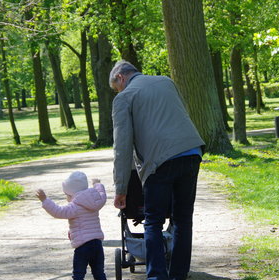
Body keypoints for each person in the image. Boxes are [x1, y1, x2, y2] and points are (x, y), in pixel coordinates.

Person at [110, 60, 205, 280]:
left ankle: (157, 277)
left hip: (159, 161)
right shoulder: (166, 82)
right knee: (182, 218)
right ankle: (179, 274)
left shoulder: (124, 97)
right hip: (191, 152)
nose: (118, 91)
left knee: (153, 220)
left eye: (117, 87)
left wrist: (121, 189)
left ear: (121, 78)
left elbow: (122, 147)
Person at [35, 171, 107, 280]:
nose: (66, 198)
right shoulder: (95, 201)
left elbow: (58, 211)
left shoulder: (75, 207)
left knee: (78, 274)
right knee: (99, 274)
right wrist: (97, 184)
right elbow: (101, 194)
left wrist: (45, 200)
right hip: (97, 244)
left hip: (83, 246)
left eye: (66, 195)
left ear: (72, 194)